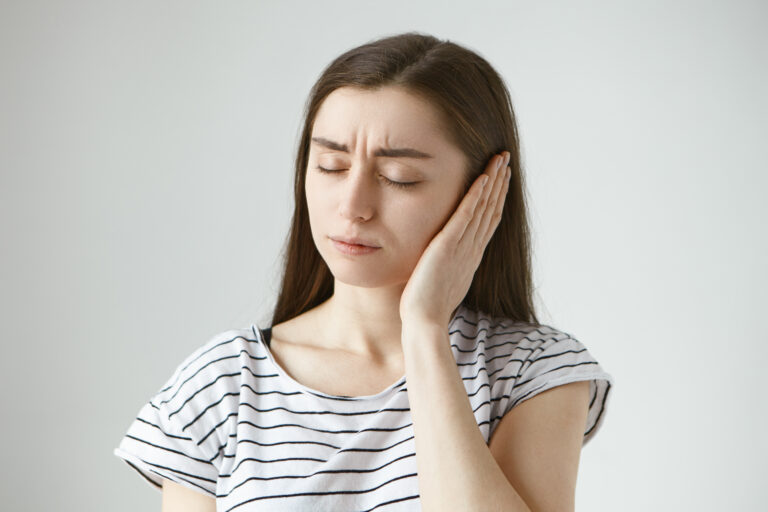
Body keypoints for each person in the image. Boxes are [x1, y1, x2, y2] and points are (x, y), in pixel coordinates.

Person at [114, 31, 614, 512]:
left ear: (483, 190)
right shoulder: (222, 383)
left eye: (400, 178)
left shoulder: (531, 372)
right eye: (330, 166)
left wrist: (423, 330)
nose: (352, 206)